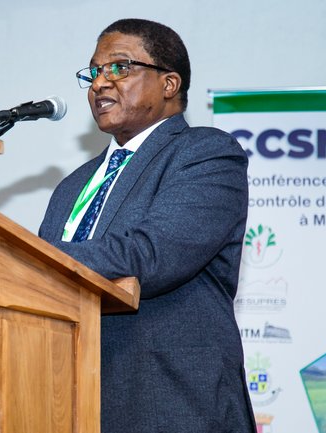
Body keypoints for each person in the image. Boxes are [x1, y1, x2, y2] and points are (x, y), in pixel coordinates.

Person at [38, 19, 256, 432]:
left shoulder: (205, 154)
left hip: (170, 400)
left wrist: (25, 253)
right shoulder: (71, 187)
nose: (100, 83)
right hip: (68, 400)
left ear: (169, 83)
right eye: (94, 72)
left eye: (118, 68)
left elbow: (151, 254)